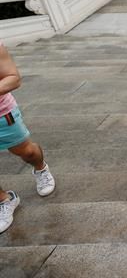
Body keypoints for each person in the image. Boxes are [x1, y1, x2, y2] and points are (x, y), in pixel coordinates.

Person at [0, 41, 56, 234]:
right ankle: (5, 200)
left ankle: (41, 169)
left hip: (2, 115)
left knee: (27, 152)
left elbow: (13, 78)